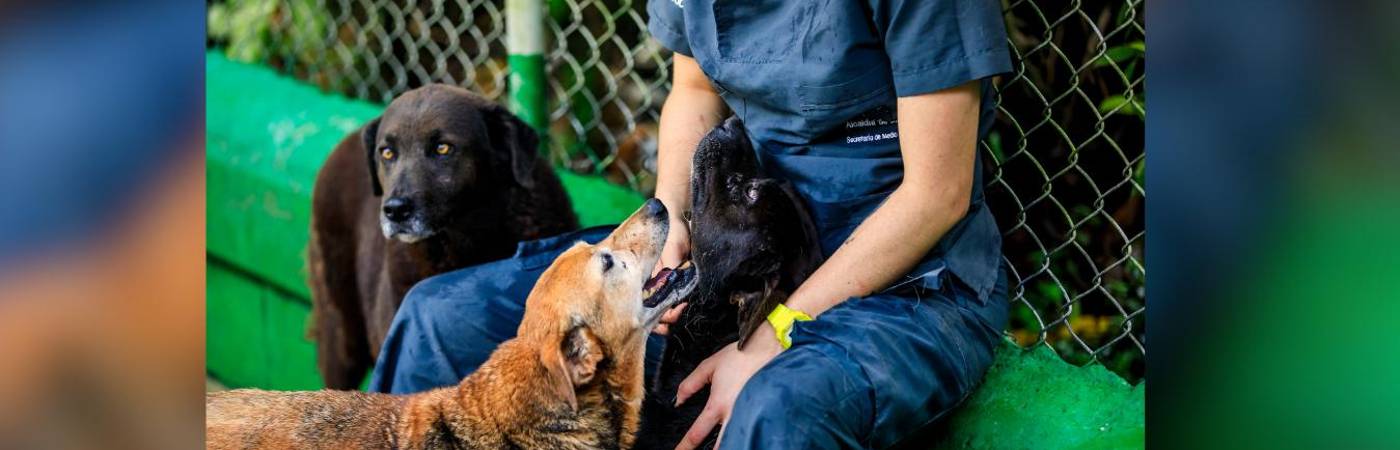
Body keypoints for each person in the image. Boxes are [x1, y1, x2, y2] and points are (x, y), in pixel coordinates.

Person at [369, 0, 1013, 447]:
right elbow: (695, 92)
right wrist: (674, 224)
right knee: (441, 315)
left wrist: (773, 336)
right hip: (739, 235)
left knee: (777, 409)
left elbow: (938, 194)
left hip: (902, 280)